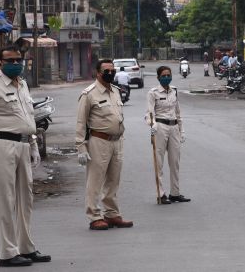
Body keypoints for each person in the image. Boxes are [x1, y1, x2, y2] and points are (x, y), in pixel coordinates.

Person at [0, 46, 51, 267]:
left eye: (18, 60)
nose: (16, 63)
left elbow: (27, 117)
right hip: (1, 146)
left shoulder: (22, 84)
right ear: (0, 64)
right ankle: (7, 253)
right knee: (4, 200)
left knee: (26, 199)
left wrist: (33, 144)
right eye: (10, 60)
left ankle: (26, 247)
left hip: (23, 144)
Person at [76, 59, 133, 231]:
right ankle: (94, 216)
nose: (110, 73)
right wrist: (81, 147)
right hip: (98, 141)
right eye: (106, 71)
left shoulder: (115, 91)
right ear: (98, 73)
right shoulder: (89, 94)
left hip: (117, 141)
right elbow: (81, 123)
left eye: (112, 70)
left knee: (114, 180)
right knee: (95, 180)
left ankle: (112, 214)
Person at [145, 66, 191, 204]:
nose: (166, 77)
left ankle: (175, 193)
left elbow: (178, 112)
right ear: (158, 77)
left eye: (168, 75)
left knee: (175, 162)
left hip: (174, 127)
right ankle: (161, 194)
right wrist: (152, 124)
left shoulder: (174, 91)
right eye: (163, 75)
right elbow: (149, 113)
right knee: (159, 162)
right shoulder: (153, 93)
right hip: (160, 127)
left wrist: (182, 130)